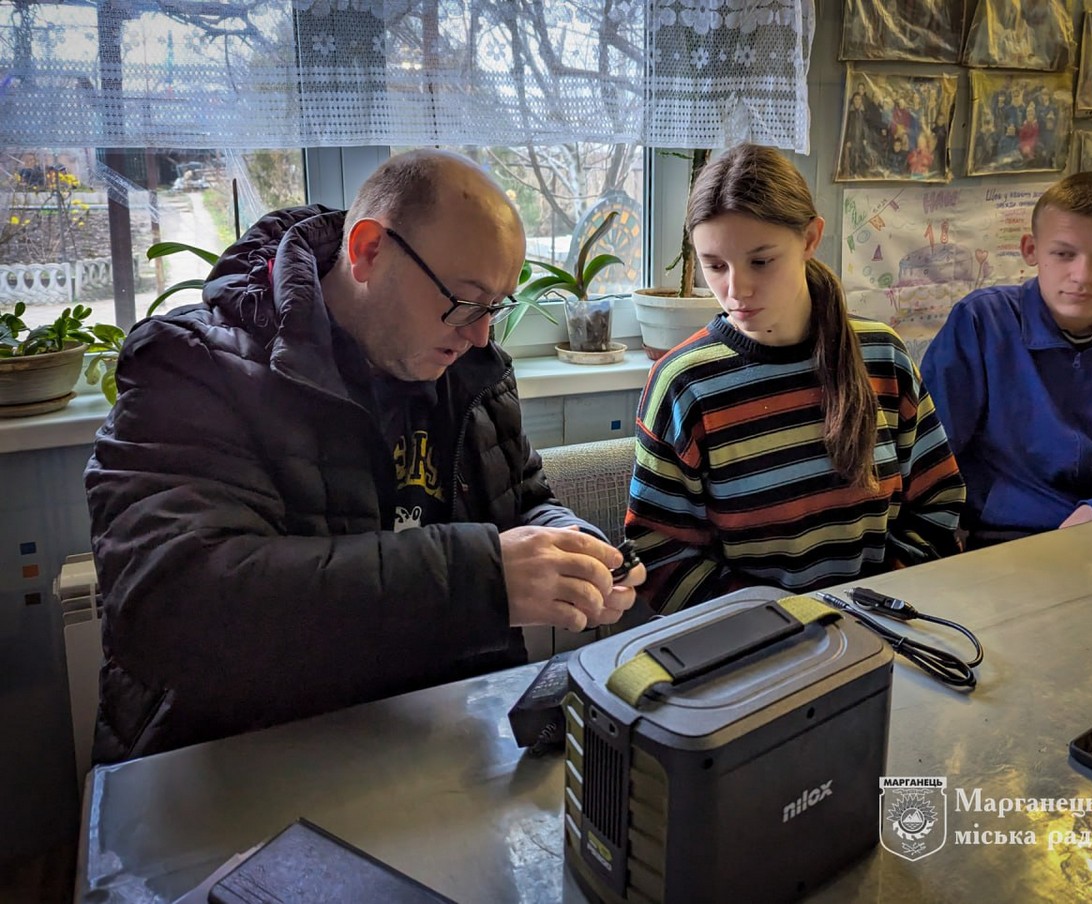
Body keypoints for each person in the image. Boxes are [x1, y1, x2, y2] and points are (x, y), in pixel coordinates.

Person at [85, 149, 644, 762]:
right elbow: (170, 609)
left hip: (441, 741)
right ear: (368, 250)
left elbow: (523, 503)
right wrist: (479, 579)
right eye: (464, 300)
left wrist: (569, 545)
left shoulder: (472, 369)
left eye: (497, 306)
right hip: (246, 765)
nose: (481, 334)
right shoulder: (191, 367)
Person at [623, 144, 965, 615]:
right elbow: (661, 556)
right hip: (756, 647)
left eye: (761, 261)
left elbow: (938, 504)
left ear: (809, 239)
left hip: (886, 628)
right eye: (715, 265)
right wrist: (790, 623)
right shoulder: (683, 385)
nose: (735, 290)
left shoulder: (883, 357)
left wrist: (871, 609)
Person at [921, 171, 1092, 546]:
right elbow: (926, 454)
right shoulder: (982, 322)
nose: (1082, 275)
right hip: (1005, 542)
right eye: (1063, 254)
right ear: (1030, 250)